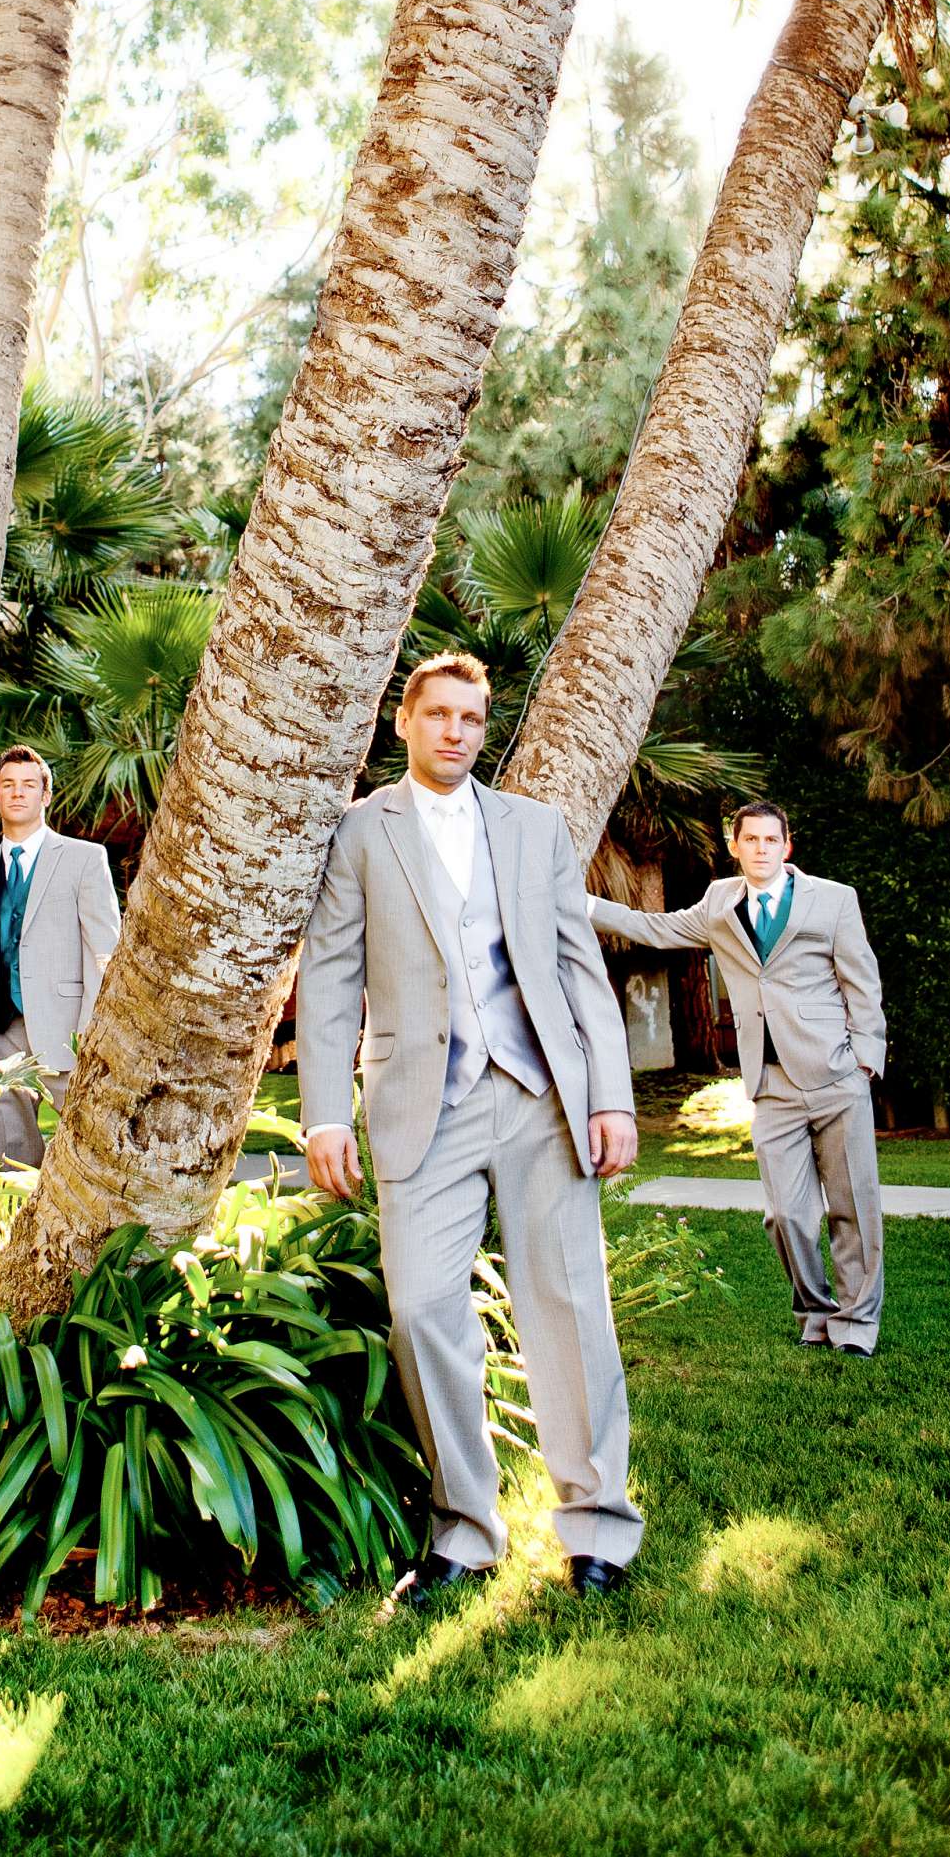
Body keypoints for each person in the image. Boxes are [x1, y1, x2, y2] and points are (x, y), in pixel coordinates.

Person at [299, 651, 642, 1605]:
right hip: (420, 1102)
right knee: (420, 1308)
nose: (456, 731)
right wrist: (324, 1111)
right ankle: (466, 1528)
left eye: (473, 717)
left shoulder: (536, 829)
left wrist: (608, 1095)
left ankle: (599, 1531)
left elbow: (580, 972)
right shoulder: (361, 832)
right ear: (403, 723)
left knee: (570, 1306)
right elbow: (329, 977)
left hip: (538, 1094)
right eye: (439, 714)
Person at [591, 800, 886, 1357]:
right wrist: (581, 904)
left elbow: (862, 983)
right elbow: (654, 929)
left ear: (786, 845)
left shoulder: (834, 900)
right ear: (735, 846)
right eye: (750, 840)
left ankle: (856, 1324)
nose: (760, 849)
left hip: (835, 1076)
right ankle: (816, 1312)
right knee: (785, 1216)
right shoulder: (719, 902)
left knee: (853, 1206)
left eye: (771, 840)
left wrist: (865, 1059)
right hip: (769, 1083)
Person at [0, 745, 121, 1167]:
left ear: (45, 795)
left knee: (98, 1148)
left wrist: (93, 1029)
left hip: (68, 1029)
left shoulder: (85, 859)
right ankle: (20, 1232)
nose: (18, 793)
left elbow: (105, 949)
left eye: (28, 785)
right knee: (10, 1161)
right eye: (8, 785)